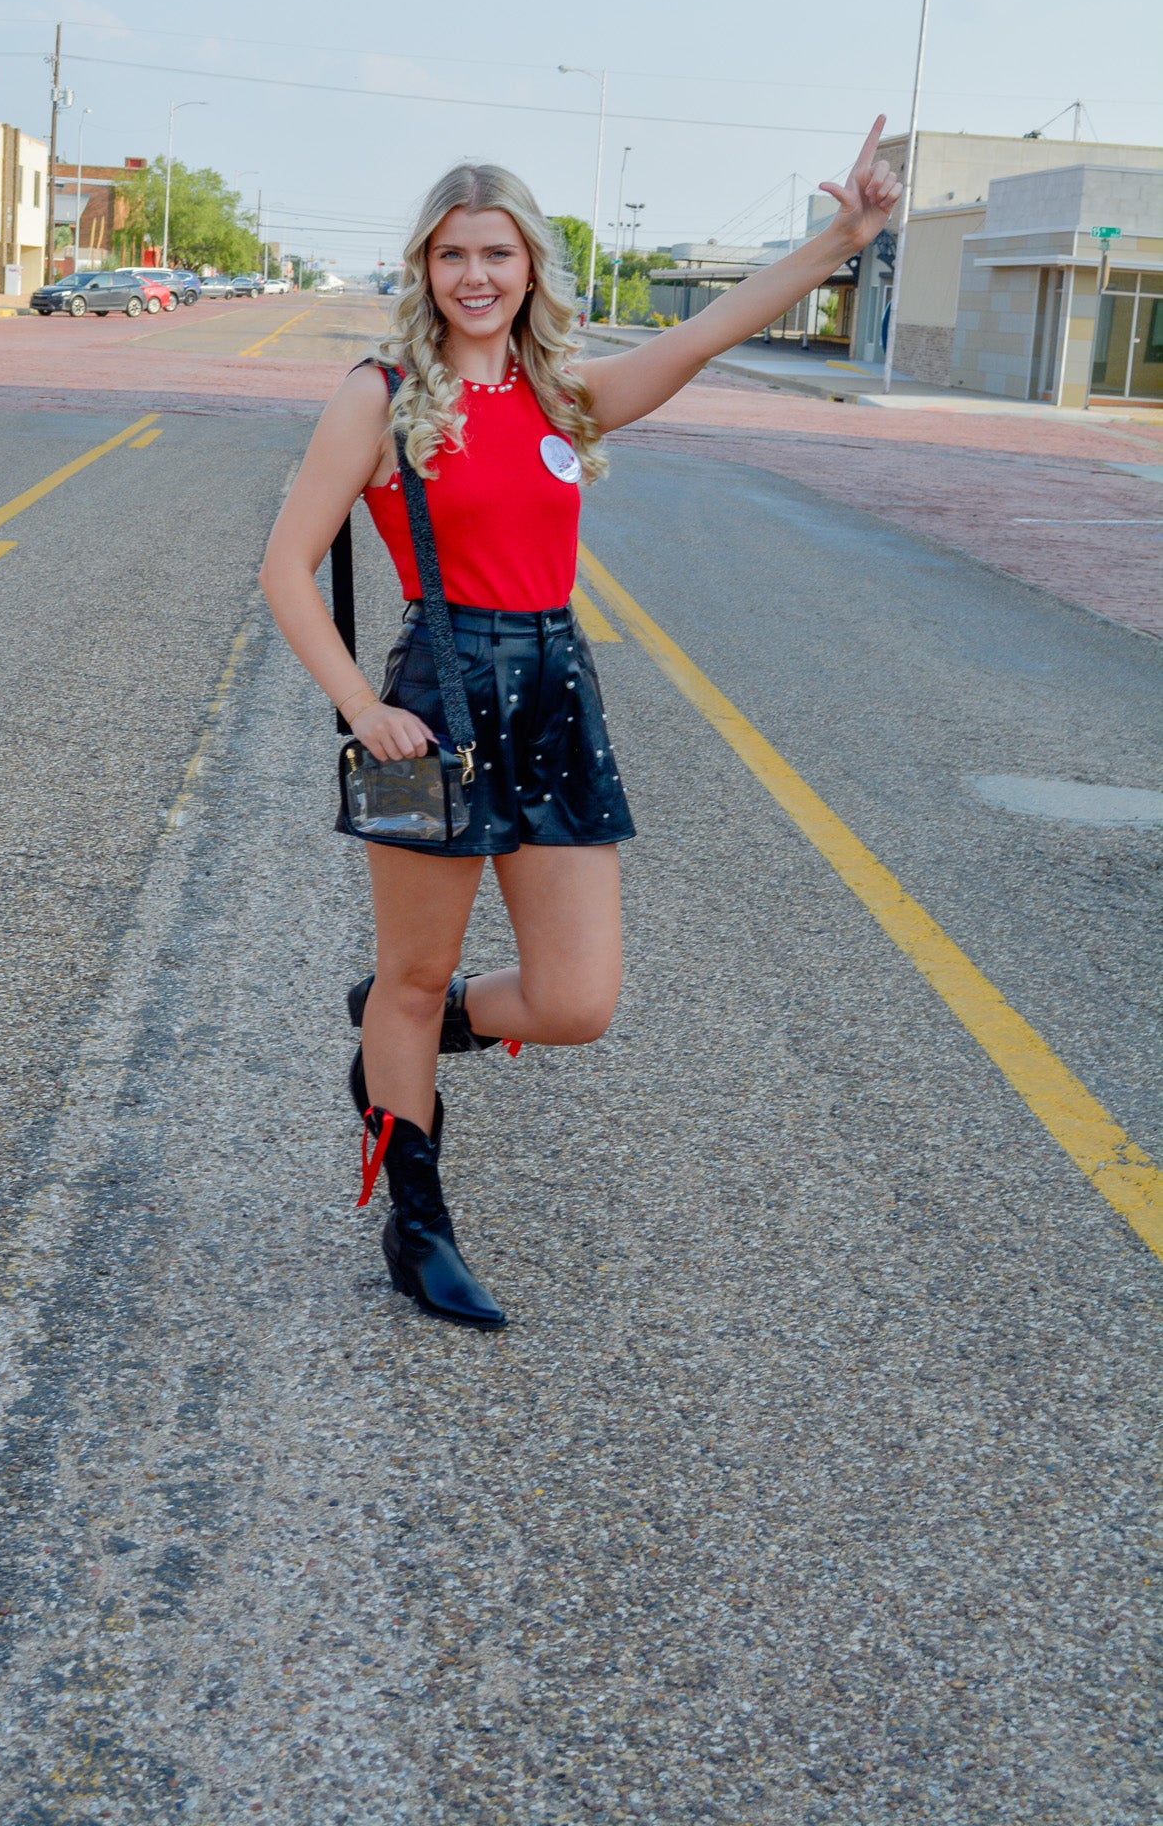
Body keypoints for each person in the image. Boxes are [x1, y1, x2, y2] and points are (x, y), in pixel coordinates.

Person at [259, 118, 902, 1329]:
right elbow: (288, 566)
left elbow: (712, 327)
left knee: (576, 997)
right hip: (439, 694)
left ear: (531, 265)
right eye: (453, 256)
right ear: (425, 268)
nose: (476, 277)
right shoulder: (384, 397)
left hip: (557, 690)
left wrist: (848, 235)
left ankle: (416, 1026)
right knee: (412, 966)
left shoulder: (568, 392)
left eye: (497, 252)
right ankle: (420, 1221)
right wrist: (362, 705)